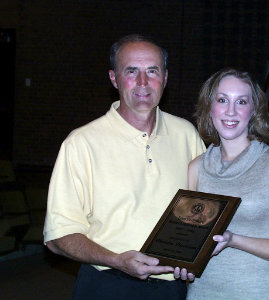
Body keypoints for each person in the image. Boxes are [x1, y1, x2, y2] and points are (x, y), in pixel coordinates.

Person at [43, 34, 205, 300]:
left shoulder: (186, 135)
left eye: (152, 71)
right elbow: (58, 237)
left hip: (172, 287)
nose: (143, 82)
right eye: (131, 71)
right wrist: (117, 260)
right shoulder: (82, 143)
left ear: (165, 77)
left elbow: (209, 209)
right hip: (107, 284)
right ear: (114, 78)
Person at [185, 68, 269, 300]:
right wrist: (183, 264)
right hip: (202, 292)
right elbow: (192, 241)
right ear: (209, 107)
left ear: (253, 111)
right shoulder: (196, 168)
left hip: (257, 291)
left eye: (241, 102)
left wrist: (234, 240)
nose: (230, 111)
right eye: (222, 100)